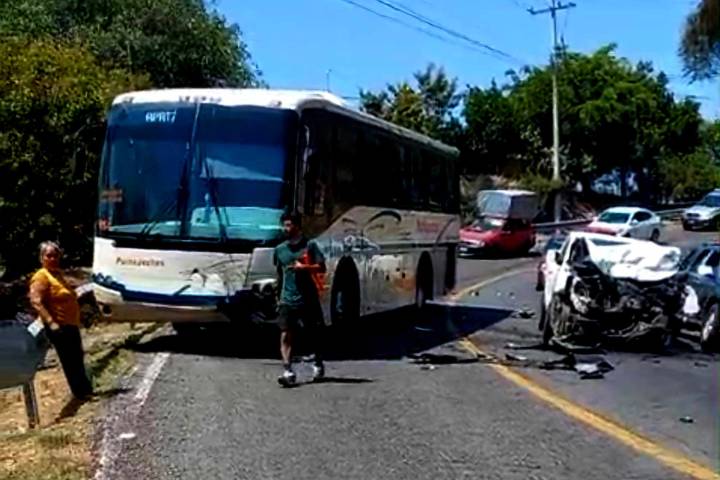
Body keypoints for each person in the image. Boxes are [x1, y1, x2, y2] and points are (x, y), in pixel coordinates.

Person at [29, 241, 93, 399]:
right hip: (59, 326)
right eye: (48, 255)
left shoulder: (57, 274)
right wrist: (51, 322)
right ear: (42, 258)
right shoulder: (41, 277)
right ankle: (80, 393)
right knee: (70, 360)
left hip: (71, 323)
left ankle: (86, 390)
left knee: (77, 357)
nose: (53, 258)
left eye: (55, 255)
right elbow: (36, 301)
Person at [274, 211, 327, 386]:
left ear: (297, 226)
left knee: (313, 333)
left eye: (289, 225)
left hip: (308, 298)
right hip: (287, 299)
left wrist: (304, 268)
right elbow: (280, 275)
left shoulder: (310, 246)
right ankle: (288, 370)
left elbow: (321, 267)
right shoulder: (280, 249)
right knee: (285, 335)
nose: (285, 228)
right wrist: (278, 297)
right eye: (284, 224)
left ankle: (318, 363)